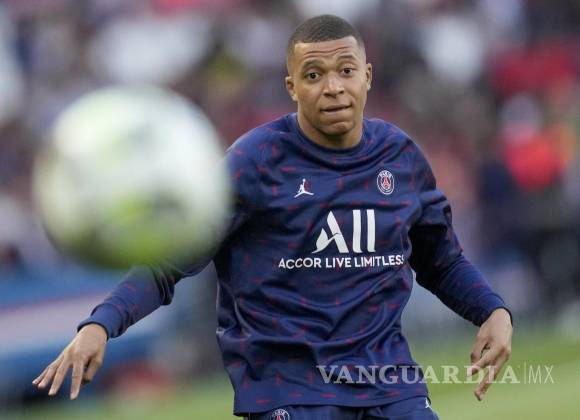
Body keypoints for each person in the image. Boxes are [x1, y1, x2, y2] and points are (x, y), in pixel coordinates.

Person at [33, 15, 513, 420]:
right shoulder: (253, 163)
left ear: (367, 76)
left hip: (390, 385)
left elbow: (440, 260)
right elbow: (168, 262)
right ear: (292, 87)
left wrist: (491, 310)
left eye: (346, 71)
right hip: (290, 392)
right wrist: (101, 324)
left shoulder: (400, 157)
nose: (333, 88)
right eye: (313, 75)